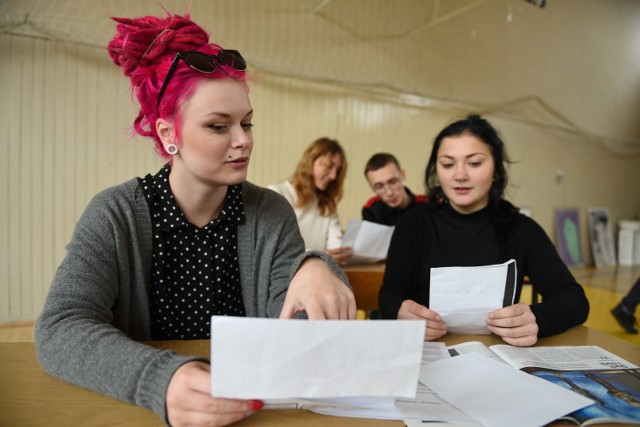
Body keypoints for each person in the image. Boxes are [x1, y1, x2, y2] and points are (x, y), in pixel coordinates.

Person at [34, 11, 356, 427]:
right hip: (143, 412)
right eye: (218, 126)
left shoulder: (270, 213)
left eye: (247, 122)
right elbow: (59, 328)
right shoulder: (115, 214)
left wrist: (314, 267)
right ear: (169, 134)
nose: (243, 141)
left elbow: (295, 334)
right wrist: (158, 380)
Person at [378, 114, 590, 347]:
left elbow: (574, 300)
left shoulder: (521, 230)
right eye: (448, 164)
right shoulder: (414, 224)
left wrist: (537, 318)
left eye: (474, 163)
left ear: (496, 169)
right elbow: (390, 293)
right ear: (436, 170)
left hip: (499, 354)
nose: (460, 175)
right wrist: (399, 310)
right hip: (427, 352)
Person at [268, 137, 353, 264]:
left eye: (337, 170)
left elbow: (336, 248)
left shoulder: (327, 205)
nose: (334, 176)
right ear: (310, 162)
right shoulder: (277, 193)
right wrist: (317, 255)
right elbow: (275, 247)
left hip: (319, 272)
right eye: (329, 166)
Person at [362, 153, 427, 226]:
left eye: (392, 182)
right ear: (372, 188)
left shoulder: (427, 205)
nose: (389, 193)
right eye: (379, 186)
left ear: (402, 175)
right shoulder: (372, 209)